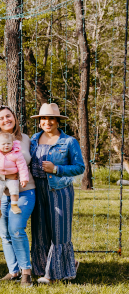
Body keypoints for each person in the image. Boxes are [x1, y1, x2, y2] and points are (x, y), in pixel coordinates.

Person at [0, 105, 36, 287]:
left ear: (14, 117)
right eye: (1, 118)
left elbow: (27, 161)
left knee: (17, 229)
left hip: (23, 190)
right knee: (5, 234)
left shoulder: (24, 139)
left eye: (8, 116)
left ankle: (26, 272)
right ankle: (13, 271)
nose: (6, 120)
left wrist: (15, 171)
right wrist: (6, 175)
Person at [29, 103, 85, 284]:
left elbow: (79, 167)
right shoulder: (32, 140)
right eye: (43, 118)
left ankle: (54, 274)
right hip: (37, 190)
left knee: (59, 232)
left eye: (51, 118)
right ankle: (43, 268)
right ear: (39, 122)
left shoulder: (69, 142)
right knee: (40, 230)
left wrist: (56, 169)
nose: (47, 122)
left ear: (58, 121)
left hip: (59, 191)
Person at [0, 133, 29, 219]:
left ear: (13, 143)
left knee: (14, 190)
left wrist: (24, 179)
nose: (6, 146)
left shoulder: (16, 154)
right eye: (3, 144)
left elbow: (22, 167)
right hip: (0, 179)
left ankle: (14, 205)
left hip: (12, 178)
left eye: (8, 143)